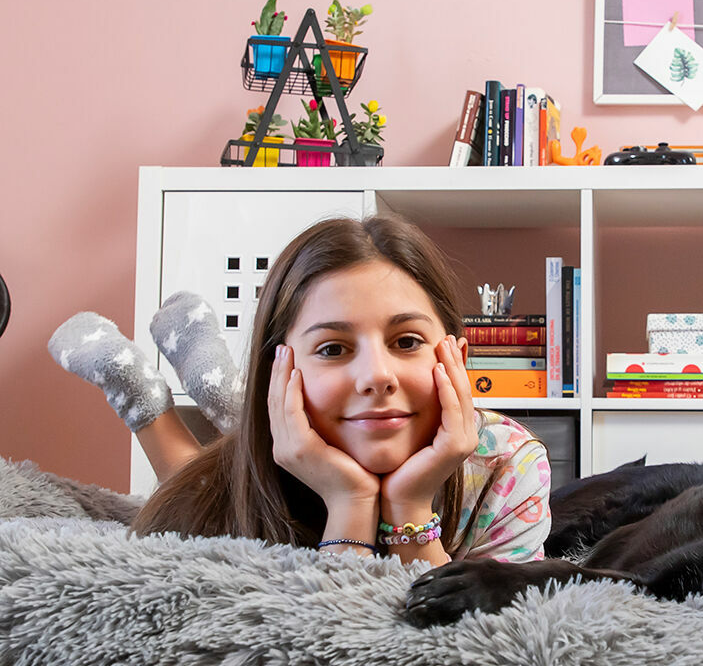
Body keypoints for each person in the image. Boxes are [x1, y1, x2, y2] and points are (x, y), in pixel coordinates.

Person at [48, 215, 551, 565]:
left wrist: (410, 511)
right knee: (203, 480)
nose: (377, 375)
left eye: (406, 341)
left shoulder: (508, 466)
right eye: (332, 348)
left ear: (456, 358)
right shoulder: (241, 475)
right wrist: (351, 503)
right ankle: (144, 401)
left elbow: (473, 651)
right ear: (279, 370)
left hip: (326, 421)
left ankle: (215, 386)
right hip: (281, 432)